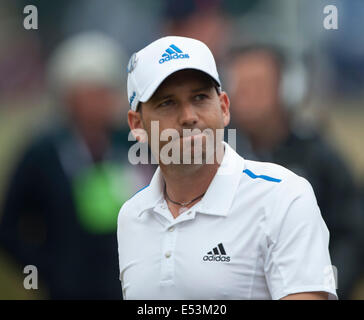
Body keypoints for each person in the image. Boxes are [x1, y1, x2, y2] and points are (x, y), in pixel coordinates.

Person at [117, 36, 338, 300]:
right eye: (167, 103)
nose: (188, 116)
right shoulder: (132, 216)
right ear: (137, 125)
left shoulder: (283, 196)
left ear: (223, 107)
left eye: (199, 97)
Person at [0, 32, 153, 299]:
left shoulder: (133, 144)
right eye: (89, 93)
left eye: (105, 91)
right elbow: (10, 227)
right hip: (67, 290)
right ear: (67, 98)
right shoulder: (43, 153)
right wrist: (45, 270)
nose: (99, 102)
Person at [226, 44, 364, 299]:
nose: (247, 97)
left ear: (286, 89)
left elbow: (352, 235)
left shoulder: (319, 156)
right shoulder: (218, 155)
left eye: (257, 85)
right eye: (240, 87)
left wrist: (324, 288)